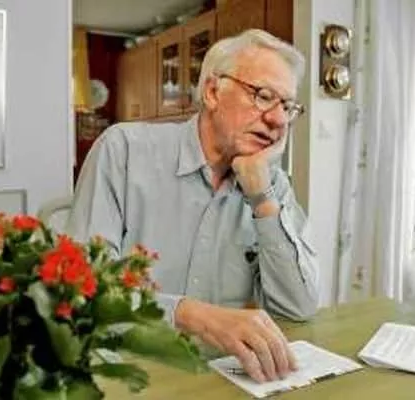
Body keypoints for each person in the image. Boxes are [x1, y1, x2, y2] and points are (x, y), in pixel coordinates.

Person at [67, 28, 319, 384]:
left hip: (225, 380)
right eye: (264, 96)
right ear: (213, 92)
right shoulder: (123, 151)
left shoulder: (271, 182)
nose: (278, 120)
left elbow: (298, 308)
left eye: (288, 107)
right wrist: (192, 316)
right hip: (128, 372)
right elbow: (83, 290)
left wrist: (262, 200)